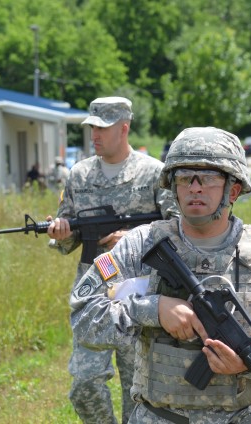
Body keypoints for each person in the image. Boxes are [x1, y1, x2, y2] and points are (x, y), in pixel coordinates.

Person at [69, 126, 251, 423]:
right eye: (185, 178)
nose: (195, 187)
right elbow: (84, 319)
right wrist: (153, 309)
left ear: (234, 189)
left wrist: (247, 364)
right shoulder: (138, 247)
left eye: (209, 178)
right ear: (173, 188)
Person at [47, 96, 178, 424]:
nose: (94, 135)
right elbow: (70, 233)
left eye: (102, 128)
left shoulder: (153, 173)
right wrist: (62, 235)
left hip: (140, 291)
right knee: (84, 384)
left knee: (139, 389)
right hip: (93, 294)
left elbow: (177, 226)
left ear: (124, 128)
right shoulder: (79, 175)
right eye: (91, 128)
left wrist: (134, 238)